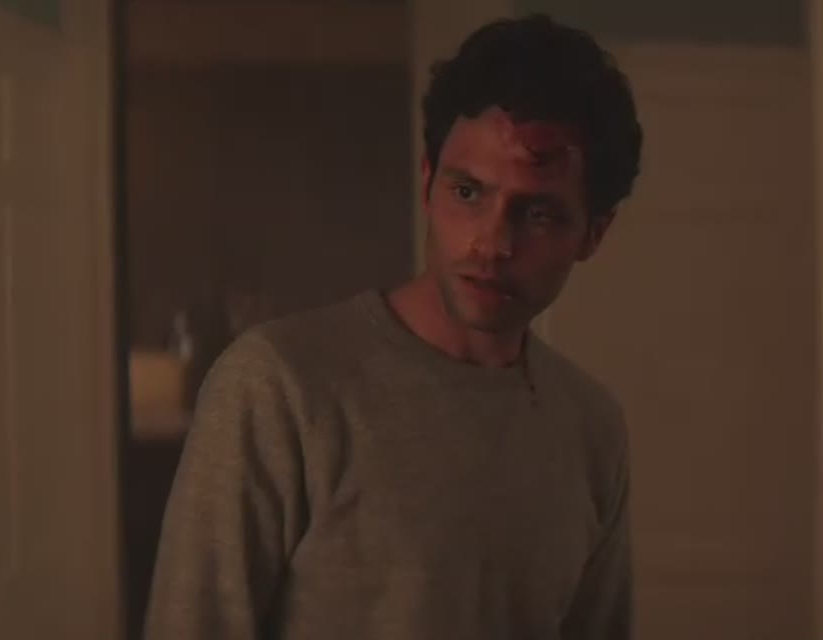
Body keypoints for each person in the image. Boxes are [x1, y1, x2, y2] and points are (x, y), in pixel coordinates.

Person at [144, 14, 643, 640]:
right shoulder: (278, 386)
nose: (492, 244)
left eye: (538, 212)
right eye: (468, 193)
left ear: (594, 233)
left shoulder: (591, 427)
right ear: (429, 182)